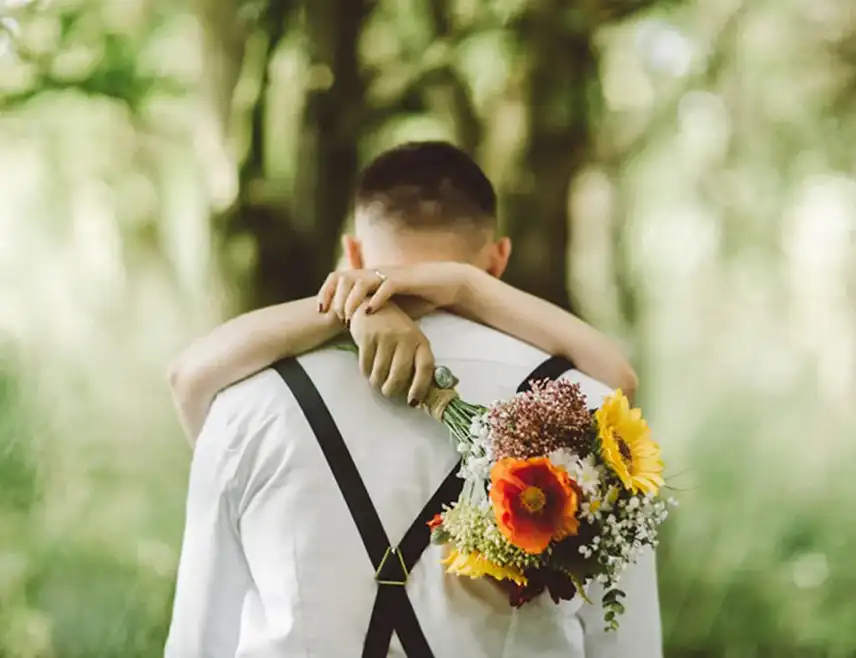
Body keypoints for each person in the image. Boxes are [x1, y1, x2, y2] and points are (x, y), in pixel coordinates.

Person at [164, 141, 662, 657]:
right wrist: (458, 287)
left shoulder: (248, 405)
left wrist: (362, 299)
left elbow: (201, 638)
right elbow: (625, 640)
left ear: (352, 254)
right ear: (499, 261)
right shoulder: (588, 414)